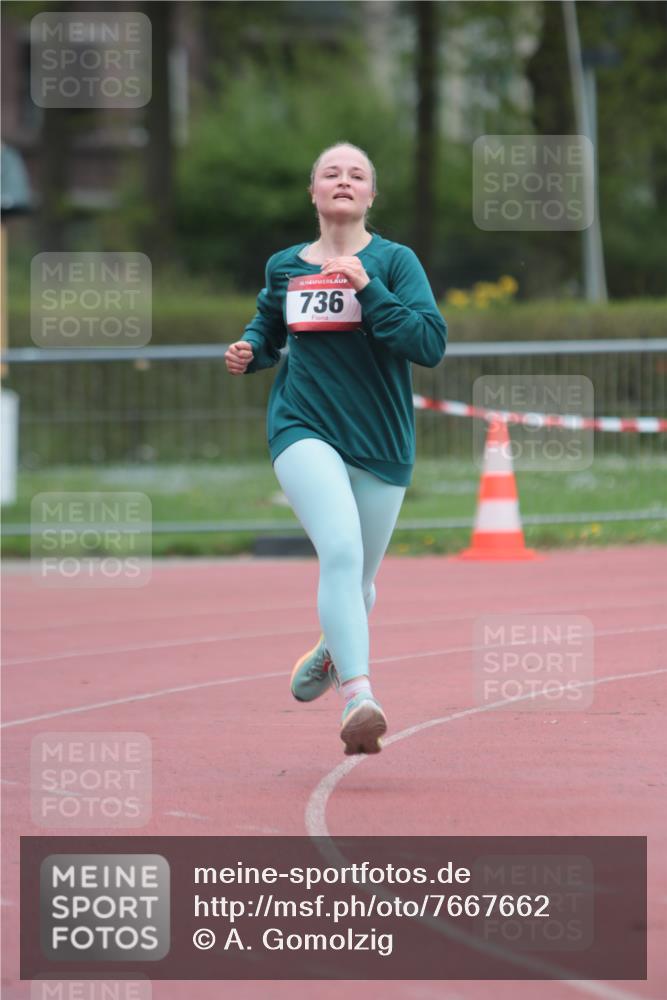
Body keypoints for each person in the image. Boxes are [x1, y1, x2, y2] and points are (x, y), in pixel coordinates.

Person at [224, 141, 447, 755]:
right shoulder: (285, 265)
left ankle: (331, 648)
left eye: (357, 174)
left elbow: (429, 343)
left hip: (381, 439)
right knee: (342, 554)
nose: (343, 180)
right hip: (303, 426)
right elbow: (269, 328)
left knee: (361, 582)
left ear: (371, 195)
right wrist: (251, 351)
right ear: (314, 192)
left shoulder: (396, 262)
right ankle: (358, 697)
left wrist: (370, 289)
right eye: (331, 172)